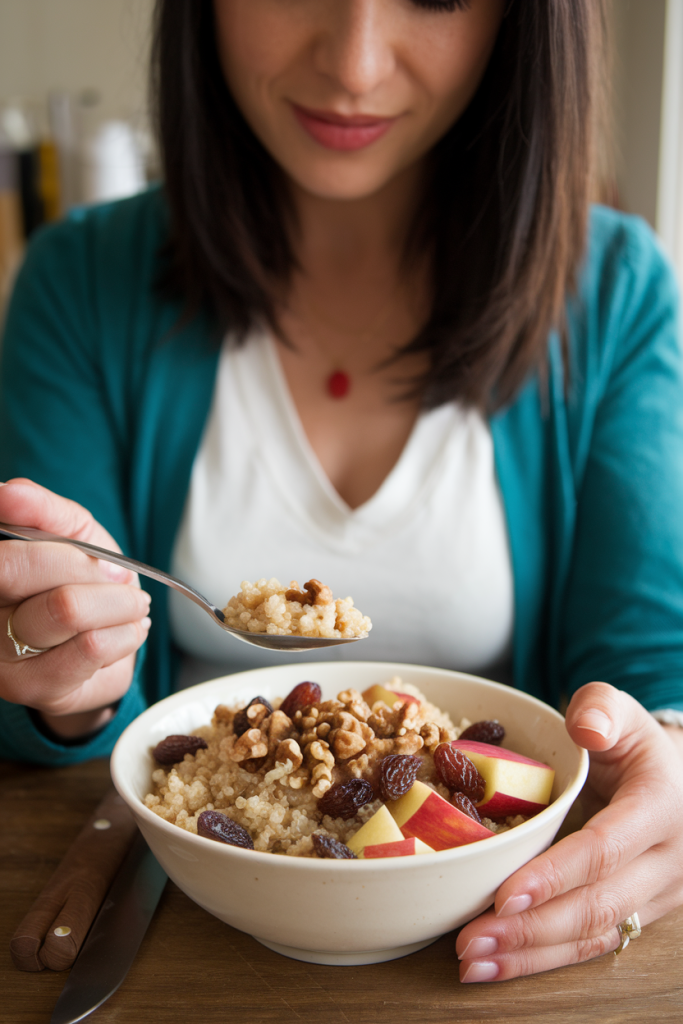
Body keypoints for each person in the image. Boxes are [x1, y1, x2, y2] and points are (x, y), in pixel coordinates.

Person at [1, 0, 683, 984]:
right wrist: (58, 677)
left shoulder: (617, 296)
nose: (354, 64)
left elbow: (651, 673)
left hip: (476, 951)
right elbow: (51, 704)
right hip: (185, 938)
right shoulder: (77, 282)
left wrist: (661, 752)